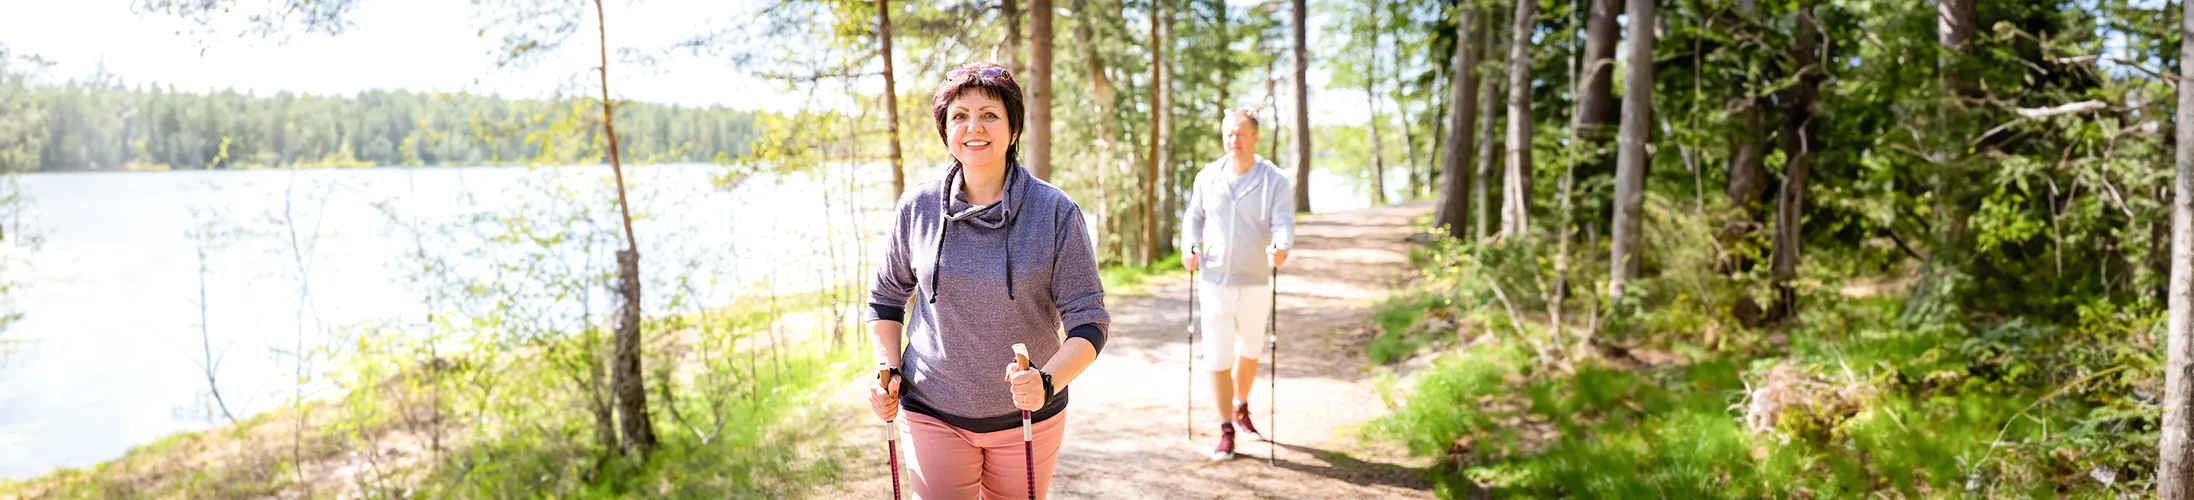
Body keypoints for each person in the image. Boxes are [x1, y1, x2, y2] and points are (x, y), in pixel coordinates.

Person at [866, 62, 1109, 499]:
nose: (974, 127)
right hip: (931, 409)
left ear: (1013, 129)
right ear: (945, 129)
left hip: (1029, 418)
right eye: (960, 115)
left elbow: (1090, 322)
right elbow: (885, 299)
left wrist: (1047, 381)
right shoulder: (916, 207)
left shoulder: (1055, 212)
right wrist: (888, 367)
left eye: (990, 115)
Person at [1180, 108, 1295, 461]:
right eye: (1229, 134)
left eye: (1241, 133)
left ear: (1255, 137)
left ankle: (1240, 404)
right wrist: (1189, 246)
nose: (1234, 140)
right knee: (1217, 355)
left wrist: (1281, 246)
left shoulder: (1274, 180)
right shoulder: (1208, 176)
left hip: (1256, 280)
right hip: (1213, 278)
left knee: (1250, 351)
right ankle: (1225, 428)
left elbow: (1283, 222)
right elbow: (1194, 218)